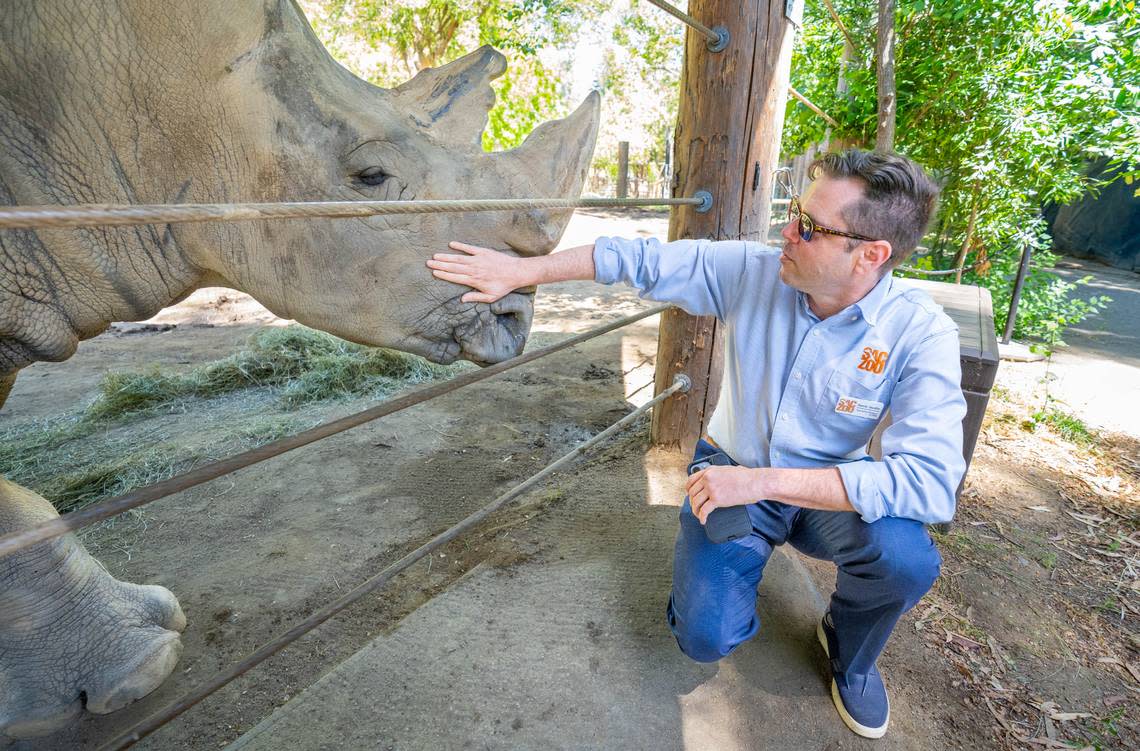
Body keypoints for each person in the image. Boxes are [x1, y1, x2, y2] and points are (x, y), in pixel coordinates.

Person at [427, 148, 966, 740]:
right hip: (729, 473)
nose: (786, 231)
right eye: (794, 211)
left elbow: (931, 483)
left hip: (817, 491)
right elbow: (636, 258)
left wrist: (764, 482)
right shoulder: (755, 271)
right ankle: (722, 574)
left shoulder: (920, 332)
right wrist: (521, 272)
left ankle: (850, 649)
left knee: (906, 558)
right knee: (704, 637)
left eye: (810, 227)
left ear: (871, 254)